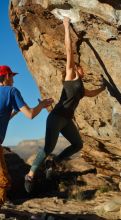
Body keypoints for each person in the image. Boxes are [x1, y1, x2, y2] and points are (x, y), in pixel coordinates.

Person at [25, 17, 106, 193]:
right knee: (48, 147)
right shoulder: (70, 75)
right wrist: (66, 26)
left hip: (66, 121)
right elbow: (69, 51)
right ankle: (30, 175)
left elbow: (92, 93)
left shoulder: (81, 89)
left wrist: (105, 87)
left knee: (78, 144)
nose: (83, 68)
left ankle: (53, 162)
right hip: (56, 117)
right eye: (81, 66)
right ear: (76, 68)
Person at [0, 65, 53, 207]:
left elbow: (4, 116)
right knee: (3, 182)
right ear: (6, 77)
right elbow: (30, 115)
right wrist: (41, 105)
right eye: (12, 76)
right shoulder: (12, 91)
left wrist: (17, 109)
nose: (13, 80)